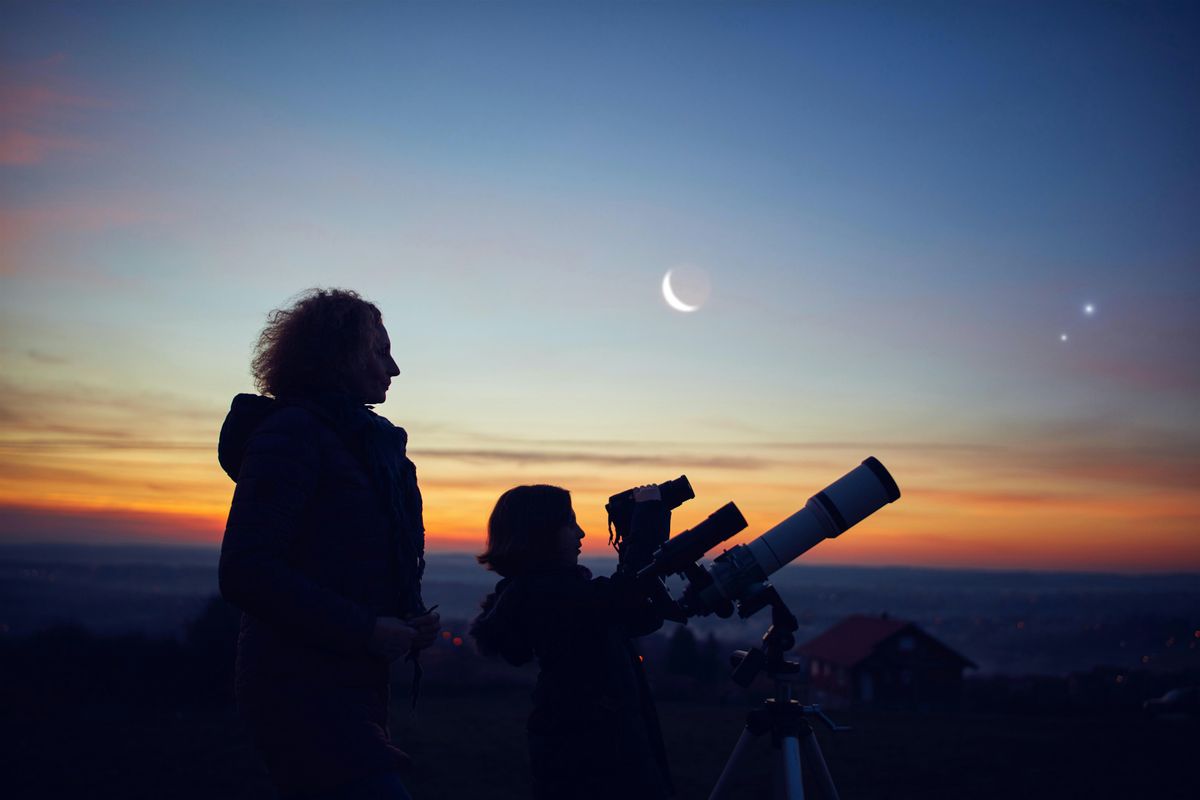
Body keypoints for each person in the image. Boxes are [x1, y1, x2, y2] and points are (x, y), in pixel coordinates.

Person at [218, 288, 440, 799]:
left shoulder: (364, 444)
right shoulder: (293, 435)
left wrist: (404, 619)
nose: (395, 368)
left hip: (349, 683)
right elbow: (246, 570)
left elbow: (344, 561)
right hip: (296, 687)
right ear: (340, 355)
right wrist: (366, 629)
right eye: (380, 351)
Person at [470, 484, 674, 800]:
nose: (581, 533)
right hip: (591, 762)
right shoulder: (546, 596)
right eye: (570, 523)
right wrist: (646, 522)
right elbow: (624, 595)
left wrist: (643, 537)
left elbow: (638, 613)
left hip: (599, 752)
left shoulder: (555, 592)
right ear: (541, 533)